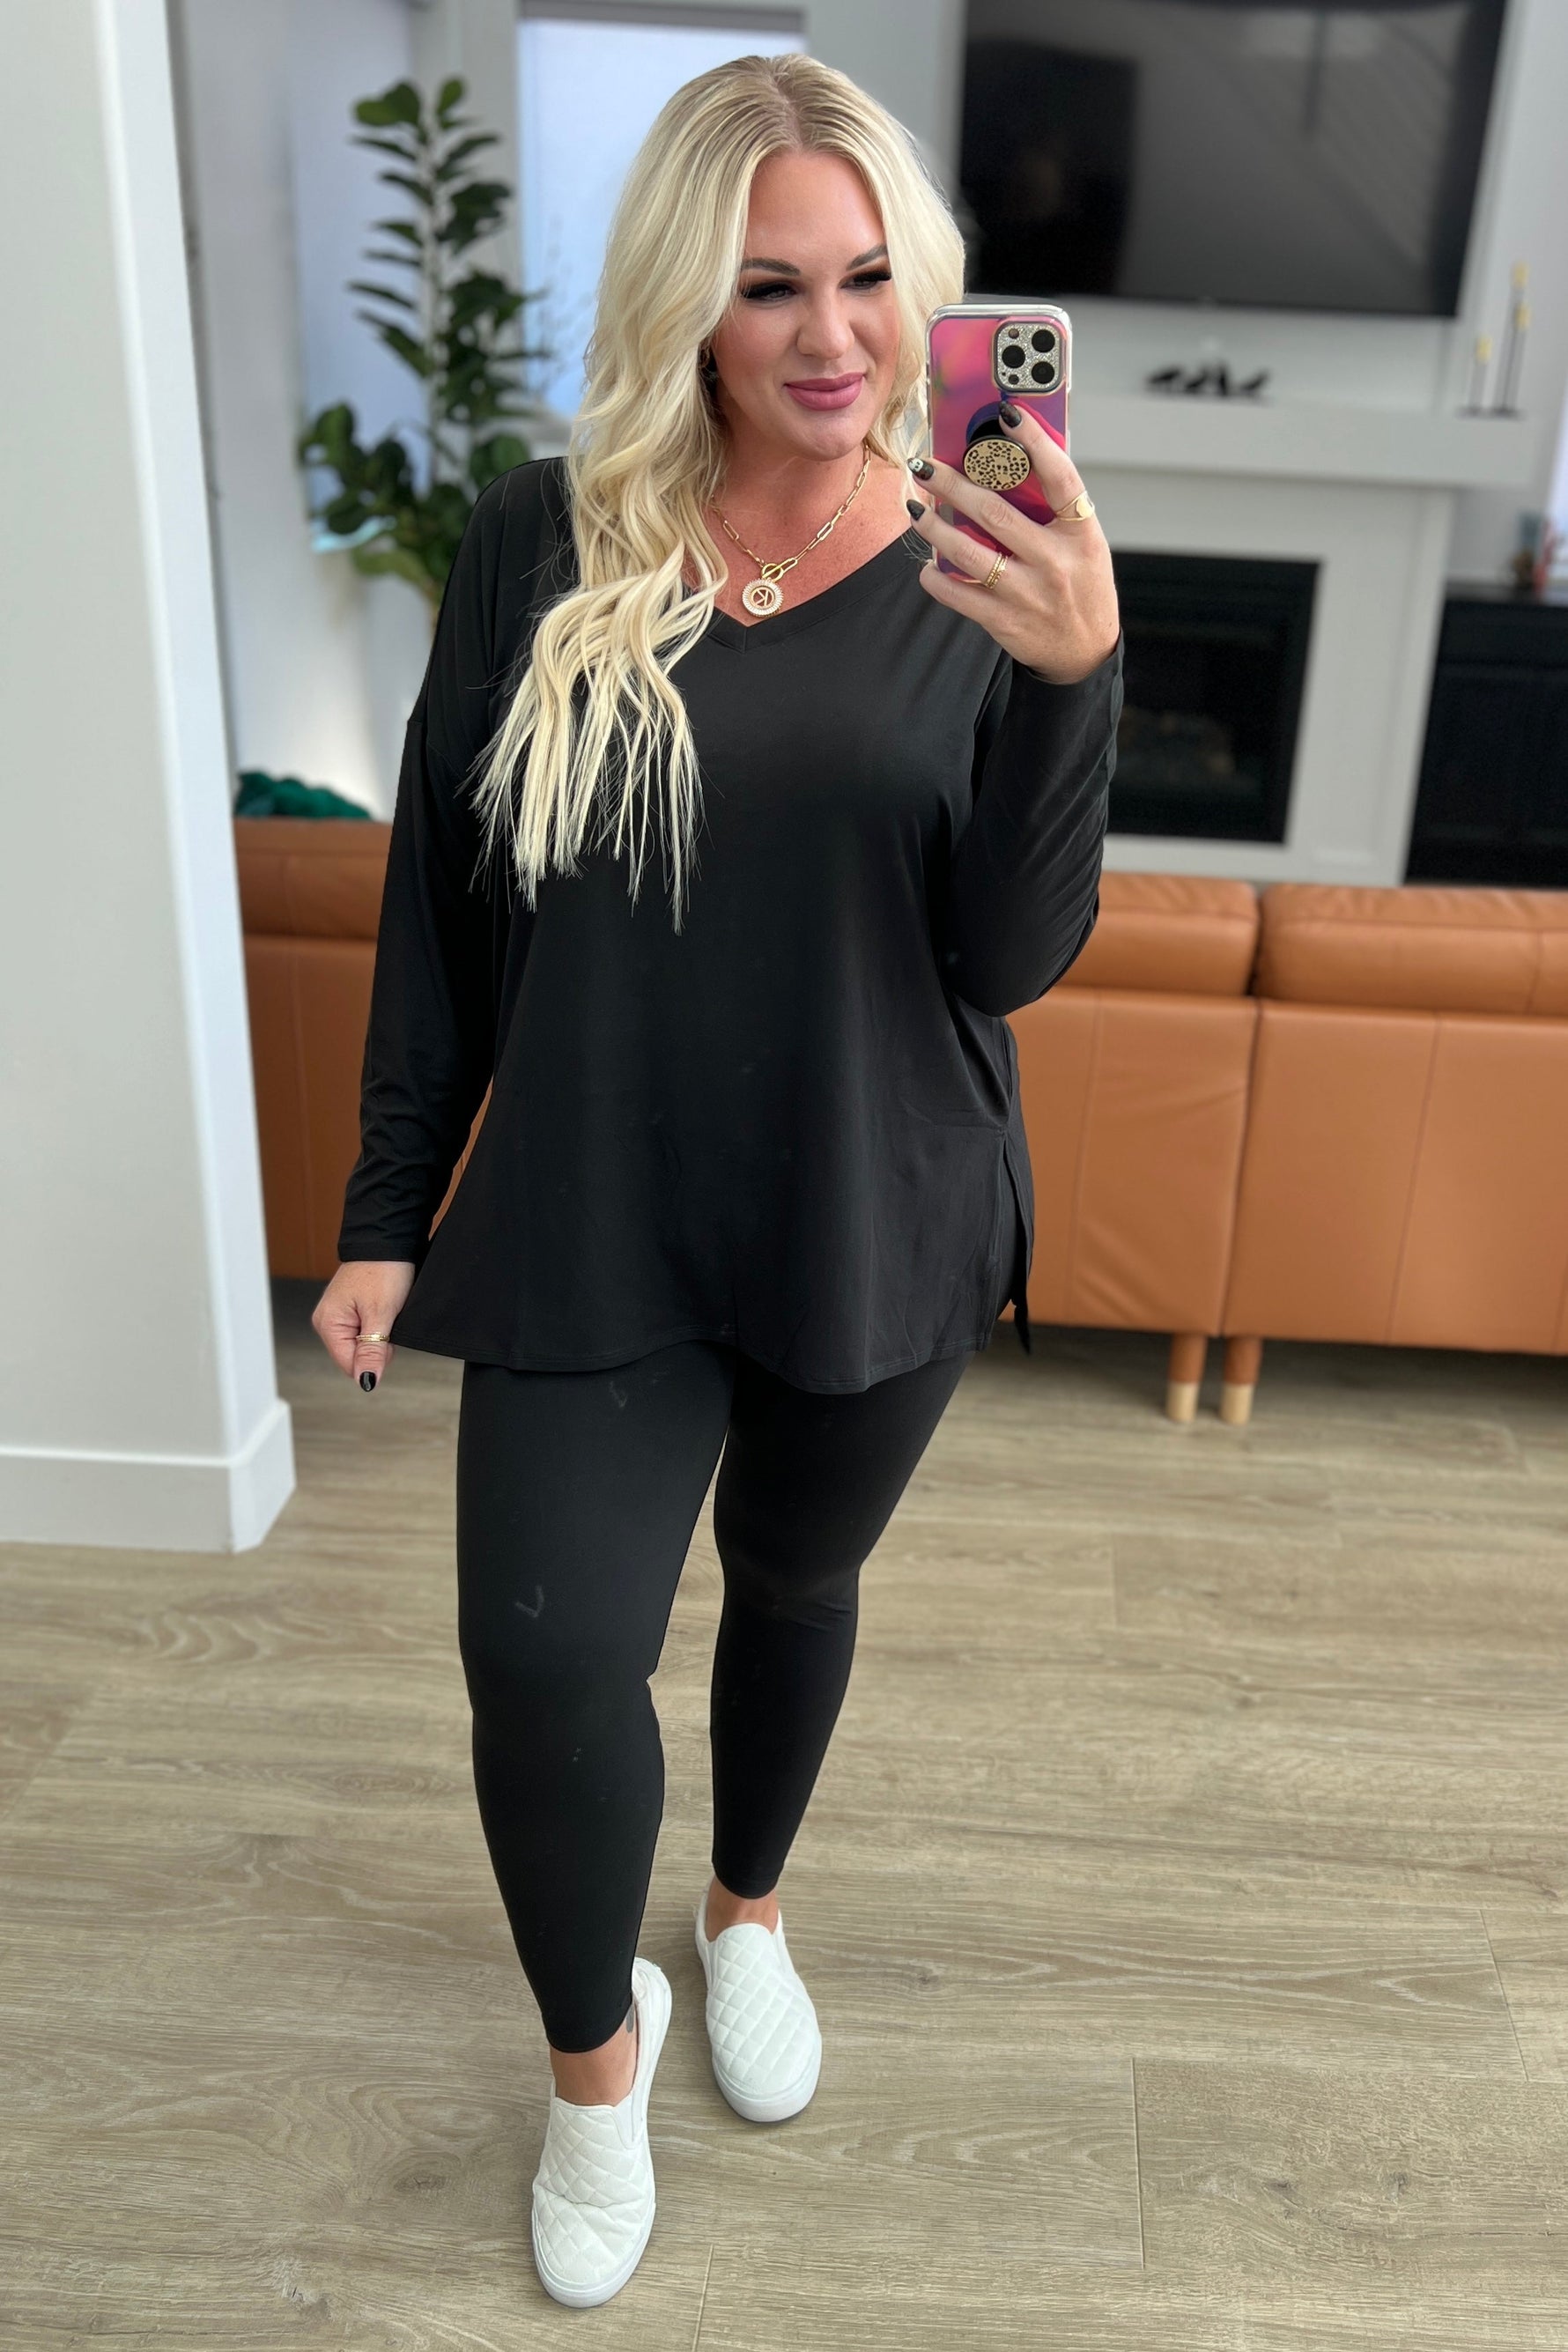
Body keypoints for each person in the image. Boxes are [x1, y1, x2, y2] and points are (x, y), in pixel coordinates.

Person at [312, 49, 1121, 2311]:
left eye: (868, 279)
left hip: (875, 1190)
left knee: (790, 1577)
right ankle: (597, 2072)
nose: (831, 337)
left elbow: (1008, 956)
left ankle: (743, 1912)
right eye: (768, 286)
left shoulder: (985, 556)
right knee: (541, 1656)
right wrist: (386, 1205)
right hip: (589, 1201)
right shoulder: (534, 536)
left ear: (923, 291)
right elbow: (442, 898)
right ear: (684, 295)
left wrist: (1071, 680)